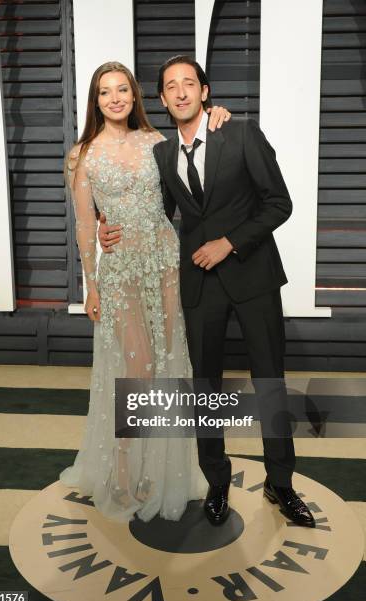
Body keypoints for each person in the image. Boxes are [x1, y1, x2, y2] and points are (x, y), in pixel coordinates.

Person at [99, 55, 316, 528]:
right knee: (206, 388)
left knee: (269, 382)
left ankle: (281, 484)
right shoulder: (160, 154)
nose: (180, 92)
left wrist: (230, 243)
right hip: (196, 283)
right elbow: (146, 210)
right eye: (170, 86)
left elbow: (280, 203)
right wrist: (102, 226)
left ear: (205, 90)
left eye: (189, 84)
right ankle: (217, 481)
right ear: (160, 99)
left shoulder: (239, 133)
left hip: (253, 276)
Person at [59, 60, 231, 523]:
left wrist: (219, 114)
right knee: (136, 365)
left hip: (165, 262)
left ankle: (160, 465)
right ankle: (120, 465)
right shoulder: (83, 154)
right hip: (120, 271)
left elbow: (198, 155)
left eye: (122, 90)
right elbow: (82, 224)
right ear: (95, 101)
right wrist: (91, 282)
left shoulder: (157, 142)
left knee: (172, 358)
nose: (114, 98)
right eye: (104, 92)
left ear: (135, 97)